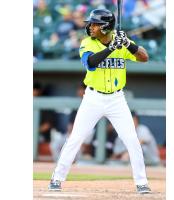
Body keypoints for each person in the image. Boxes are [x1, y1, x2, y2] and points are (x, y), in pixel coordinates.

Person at [48, 8, 151, 194]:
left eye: (95, 24)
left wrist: (128, 44)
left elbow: (144, 57)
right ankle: (56, 178)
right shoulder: (87, 42)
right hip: (93, 98)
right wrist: (111, 48)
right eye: (91, 23)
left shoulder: (122, 43)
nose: (91, 27)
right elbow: (90, 63)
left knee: (132, 140)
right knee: (75, 138)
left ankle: (142, 182)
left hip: (117, 99)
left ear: (105, 27)